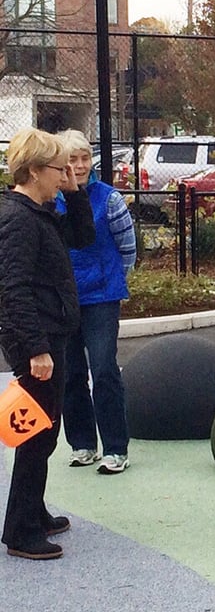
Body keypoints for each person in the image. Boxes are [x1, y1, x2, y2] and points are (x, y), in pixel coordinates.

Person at [0, 128, 95, 560]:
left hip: (50, 333)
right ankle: (20, 530)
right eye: (60, 168)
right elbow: (13, 288)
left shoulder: (39, 213)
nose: (66, 174)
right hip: (34, 341)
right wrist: (36, 348)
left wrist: (75, 192)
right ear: (35, 170)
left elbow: (83, 236)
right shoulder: (18, 220)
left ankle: (32, 510)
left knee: (46, 429)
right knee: (36, 434)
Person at [56, 130, 136, 474]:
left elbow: (127, 247)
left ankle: (115, 448)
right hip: (65, 299)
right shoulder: (52, 200)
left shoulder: (109, 199)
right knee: (71, 373)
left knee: (103, 370)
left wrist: (113, 278)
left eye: (85, 158)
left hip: (102, 297)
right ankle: (82, 444)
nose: (80, 165)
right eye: (72, 159)